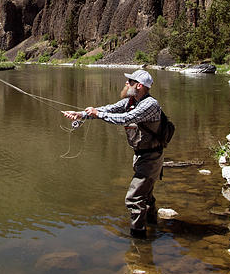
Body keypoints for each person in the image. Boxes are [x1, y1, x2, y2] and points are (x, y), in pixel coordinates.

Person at [63, 69, 165, 239]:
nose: (126, 83)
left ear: (139, 86)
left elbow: (125, 118)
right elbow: (110, 109)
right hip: (142, 155)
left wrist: (98, 114)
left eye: (129, 81)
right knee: (146, 194)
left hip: (151, 157)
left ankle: (139, 241)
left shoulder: (150, 105)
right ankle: (154, 226)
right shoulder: (131, 100)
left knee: (134, 198)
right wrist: (81, 115)